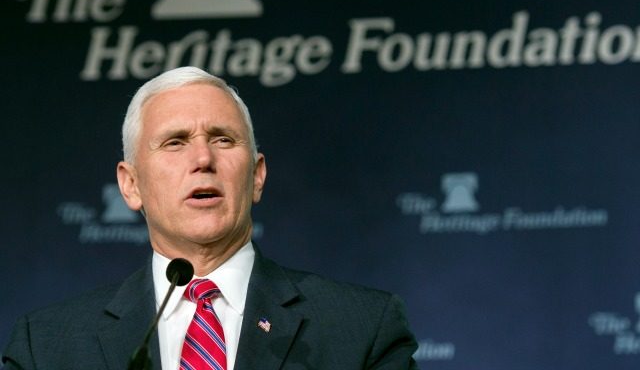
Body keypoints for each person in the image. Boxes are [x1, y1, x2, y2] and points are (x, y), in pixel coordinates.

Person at [2, 66, 418, 369]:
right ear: (130, 185)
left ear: (256, 176)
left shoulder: (362, 329)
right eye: (174, 142)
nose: (203, 158)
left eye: (223, 139)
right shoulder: (47, 347)